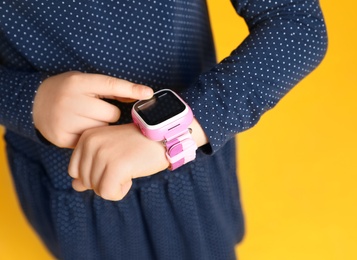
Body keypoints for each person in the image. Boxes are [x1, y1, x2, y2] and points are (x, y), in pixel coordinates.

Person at [0, 0, 327, 259]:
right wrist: (26, 99)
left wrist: (180, 131)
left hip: (188, 169)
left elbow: (297, 23)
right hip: (68, 179)